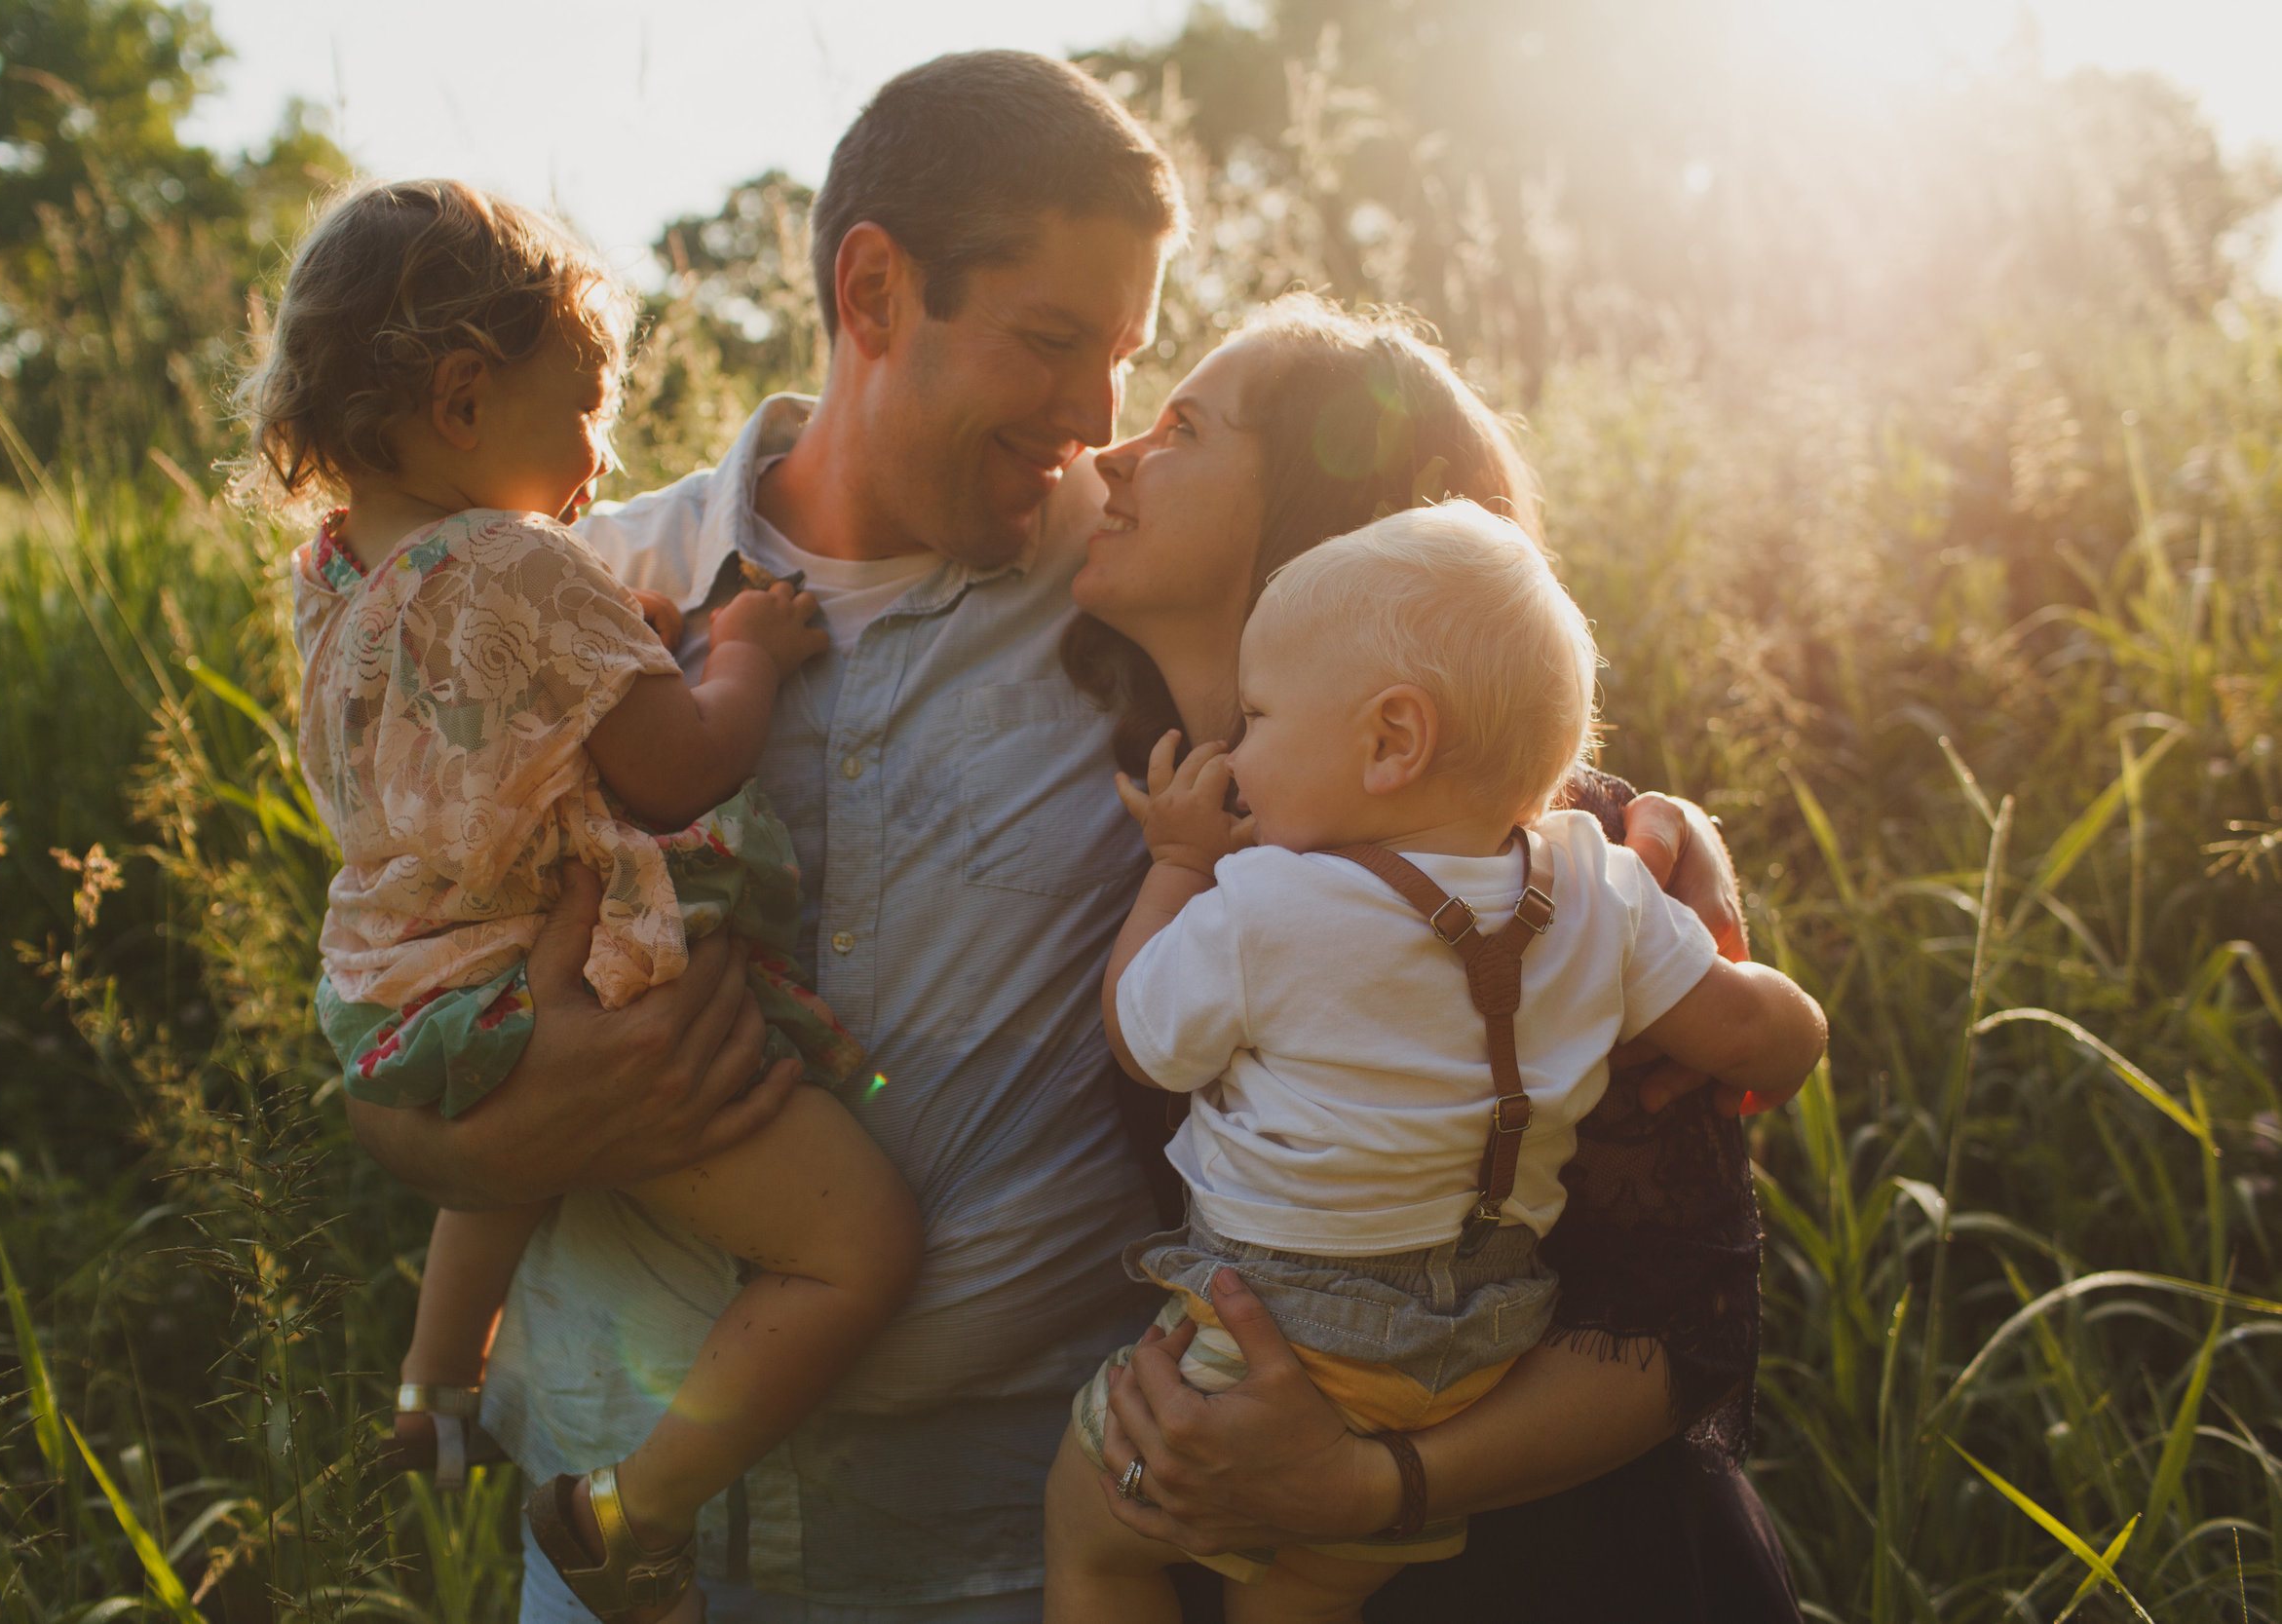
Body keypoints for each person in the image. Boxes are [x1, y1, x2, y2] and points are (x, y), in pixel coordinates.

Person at [337, 57, 1762, 1623]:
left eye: (1135, 370)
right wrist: (451, 1125)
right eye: (1053, 343)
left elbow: (1424, 693)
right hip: (634, 1542)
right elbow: (394, 997)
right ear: (873, 289)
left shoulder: (1131, 602)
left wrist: (1636, 829)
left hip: (1015, 1543)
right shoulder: (572, 597)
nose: (1099, 424)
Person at [1063, 293, 1806, 1622]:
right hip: (1265, 1532)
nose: (1110, 454)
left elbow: (1678, 1329)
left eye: (1182, 426)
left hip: (1563, 1577)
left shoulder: (1565, 856)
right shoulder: (1162, 814)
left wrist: (1367, 1488)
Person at [244, 178, 921, 1623]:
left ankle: (437, 1384)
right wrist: (745, 649)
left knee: (510, 1146)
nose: (601, 456)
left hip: (396, 994)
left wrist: (623, 649)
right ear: (465, 399)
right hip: (544, 974)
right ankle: (631, 1510)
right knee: (856, 1248)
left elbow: (496, 713)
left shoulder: (336, 579)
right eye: (586, 406)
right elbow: (677, 768)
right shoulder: (518, 560)